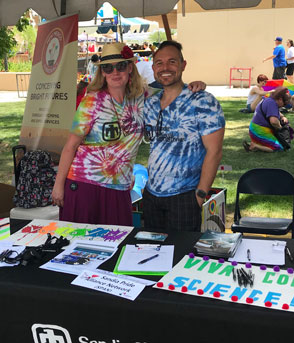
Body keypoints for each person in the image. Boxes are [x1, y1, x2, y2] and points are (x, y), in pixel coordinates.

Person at [51, 42, 205, 226]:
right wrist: (58, 186)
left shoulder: (143, 96)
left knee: (118, 241)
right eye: (108, 68)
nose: (115, 72)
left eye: (121, 66)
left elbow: (172, 91)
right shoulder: (92, 101)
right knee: (81, 245)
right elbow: (71, 146)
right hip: (86, 185)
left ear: (130, 68)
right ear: (103, 72)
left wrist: (193, 86)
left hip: (120, 188)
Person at [143, 41, 225, 232]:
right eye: (159, 63)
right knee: (150, 255)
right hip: (151, 196)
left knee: (181, 256)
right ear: (153, 68)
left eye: (172, 62)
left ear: (183, 65)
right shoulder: (150, 103)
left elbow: (214, 151)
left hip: (185, 196)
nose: (165, 68)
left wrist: (200, 195)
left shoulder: (203, 101)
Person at [243, 87, 291, 153]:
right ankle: (255, 146)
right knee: (278, 147)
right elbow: (273, 121)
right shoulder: (271, 103)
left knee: (279, 142)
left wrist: (283, 117)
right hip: (259, 131)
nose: (283, 106)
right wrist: (280, 128)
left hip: (254, 130)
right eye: (284, 104)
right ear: (280, 99)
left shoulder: (269, 100)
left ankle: (260, 144)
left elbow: (274, 111)